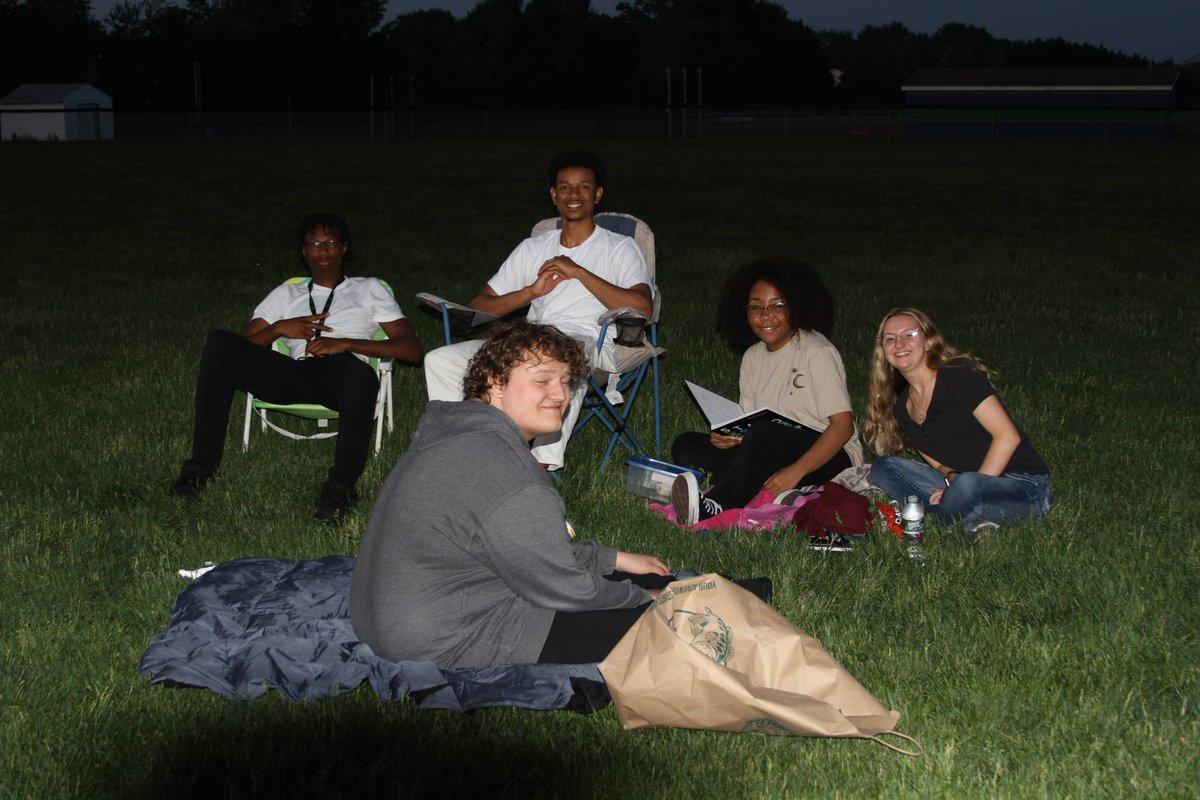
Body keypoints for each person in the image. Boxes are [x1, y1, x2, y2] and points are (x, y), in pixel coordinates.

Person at [350, 322, 672, 668]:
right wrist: (640, 598)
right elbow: (562, 586)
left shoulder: (453, 432)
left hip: (386, 617)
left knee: (653, 584)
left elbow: (517, 546)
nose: (562, 394)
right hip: (445, 639)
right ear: (495, 381)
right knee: (672, 624)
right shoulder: (511, 475)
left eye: (565, 380)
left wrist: (613, 559)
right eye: (543, 380)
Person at [171, 213, 424, 523]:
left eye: (330, 243)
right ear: (304, 252)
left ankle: (340, 488)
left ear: (344, 247)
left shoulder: (368, 288)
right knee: (218, 344)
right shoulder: (286, 293)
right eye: (314, 244)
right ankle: (199, 470)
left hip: (342, 375)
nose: (323, 251)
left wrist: (346, 344)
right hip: (291, 373)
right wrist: (278, 328)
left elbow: (411, 349)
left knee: (359, 373)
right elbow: (241, 346)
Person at [423, 150, 654, 471]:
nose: (574, 195)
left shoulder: (618, 247)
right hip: (530, 341)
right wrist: (531, 291)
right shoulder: (533, 248)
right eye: (565, 187)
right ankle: (459, 442)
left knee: (559, 362)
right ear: (553, 195)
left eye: (584, 187)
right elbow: (479, 308)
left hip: (588, 342)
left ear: (597, 194)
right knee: (440, 360)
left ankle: (539, 467)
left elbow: (643, 306)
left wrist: (579, 271)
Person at [670, 258, 864, 525]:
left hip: (829, 455)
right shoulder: (752, 357)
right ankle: (771, 488)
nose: (766, 316)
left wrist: (795, 471)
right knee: (687, 445)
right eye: (756, 307)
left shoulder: (816, 350)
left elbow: (843, 428)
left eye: (777, 306)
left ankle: (716, 505)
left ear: (795, 307)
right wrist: (727, 438)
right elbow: (750, 427)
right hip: (770, 449)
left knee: (764, 433)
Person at [863, 308, 1052, 541]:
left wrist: (962, 487)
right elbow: (929, 454)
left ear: (928, 341)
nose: (899, 343)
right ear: (883, 350)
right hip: (963, 482)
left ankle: (933, 515)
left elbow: (1008, 437)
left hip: (1021, 485)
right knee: (884, 467)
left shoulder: (958, 375)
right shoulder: (903, 406)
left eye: (909, 334)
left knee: (968, 485)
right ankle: (964, 518)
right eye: (890, 339)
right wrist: (950, 475)